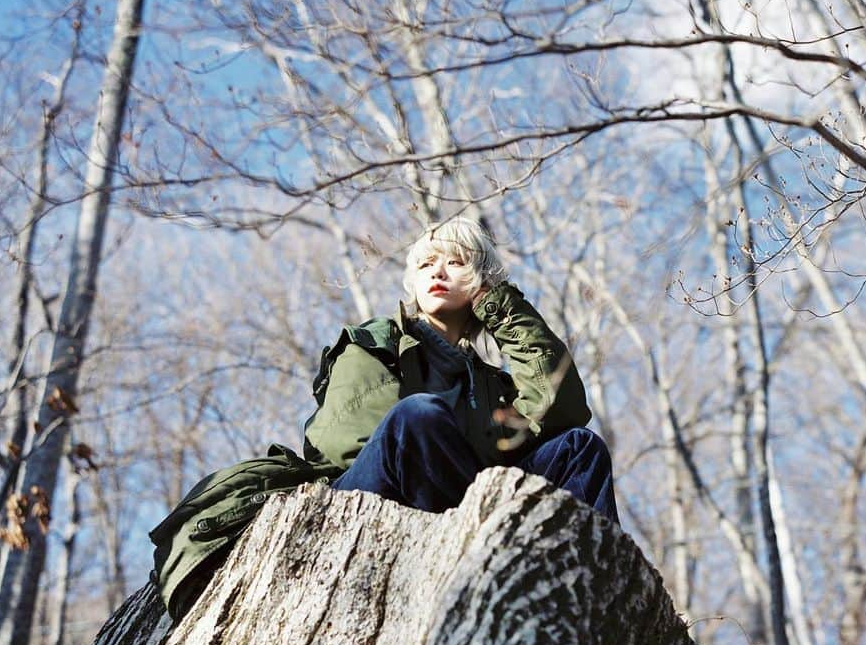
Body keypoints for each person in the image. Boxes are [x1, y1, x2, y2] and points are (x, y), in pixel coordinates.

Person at [150, 218, 617, 620]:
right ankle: (467, 572)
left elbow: (560, 410)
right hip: (362, 498)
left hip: (464, 502)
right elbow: (345, 442)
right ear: (411, 282)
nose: (438, 271)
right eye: (425, 264)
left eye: (455, 263)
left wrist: (503, 308)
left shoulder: (489, 385)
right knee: (419, 415)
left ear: (482, 281)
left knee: (578, 446)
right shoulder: (376, 341)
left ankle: (590, 591)